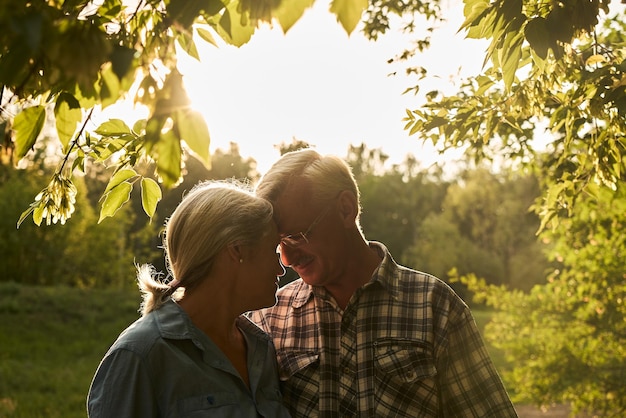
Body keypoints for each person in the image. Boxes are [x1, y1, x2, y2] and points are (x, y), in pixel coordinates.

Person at [248, 149, 518, 417]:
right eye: (278, 244)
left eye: (296, 236)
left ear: (345, 209)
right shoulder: (266, 320)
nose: (286, 258)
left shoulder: (436, 307)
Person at [87, 181, 292, 418]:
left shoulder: (261, 349)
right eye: (273, 251)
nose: (281, 269)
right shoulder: (141, 355)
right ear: (237, 250)